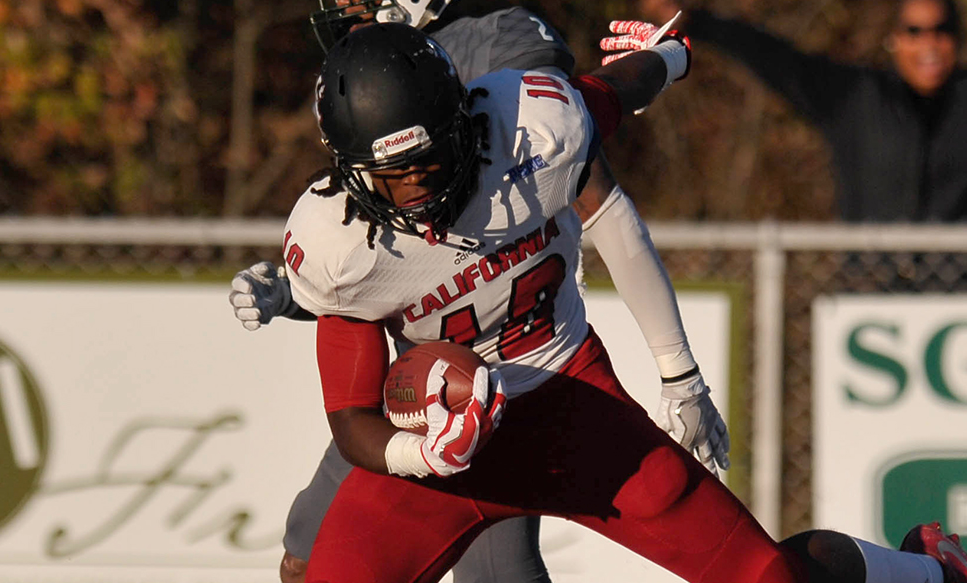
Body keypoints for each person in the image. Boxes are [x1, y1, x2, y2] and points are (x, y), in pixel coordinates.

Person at [276, 21, 967, 583]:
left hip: (571, 407)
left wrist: (669, 53)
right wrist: (424, 454)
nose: (421, 190)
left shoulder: (530, 128)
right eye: (396, 177)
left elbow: (613, 91)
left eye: (429, 163)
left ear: (463, 123)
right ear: (352, 171)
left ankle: (929, 569)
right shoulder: (338, 244)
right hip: (441, 449)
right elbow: (351, 419)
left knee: (767, 577)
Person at [231, 3, 731, 582]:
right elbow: (387, 273)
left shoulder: (505, 49)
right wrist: (296, 294)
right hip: (429, 377)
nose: (345, 14)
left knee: (495, 576)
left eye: (358, 3)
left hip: (518, 363)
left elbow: (596, 192)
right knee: (307, 554)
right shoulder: (370, 72)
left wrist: (664, 60)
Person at [639, 0, 967, 222]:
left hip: (955, 291)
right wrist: (694, 21)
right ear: (895, 38)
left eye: (943, 30)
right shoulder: (857, 97)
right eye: (915, 31)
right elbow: (774, 57)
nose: (930, 43)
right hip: (870, 288)